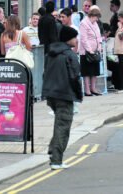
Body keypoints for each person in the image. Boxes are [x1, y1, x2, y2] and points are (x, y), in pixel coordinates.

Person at [42, 26, 82, 170]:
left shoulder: (50, 53)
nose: (76, 40)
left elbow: (44, 73)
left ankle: (53, 150)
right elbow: (75, 76)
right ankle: (56, 160)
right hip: (65, 94)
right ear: (69, 39)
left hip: (51, 93)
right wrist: (78, 95)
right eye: (75, 37)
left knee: (59, 123)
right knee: (63, 126)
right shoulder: (70, 55)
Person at [78, 6, 103, 96]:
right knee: (87, 72)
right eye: (96, 17)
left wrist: (99, 46)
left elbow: (98, 36)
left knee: (95, 71)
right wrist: (90, 50)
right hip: (86, 52)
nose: (97, 19)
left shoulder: (95, 23)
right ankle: (87, 90)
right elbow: (84, 39)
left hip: (95, 51)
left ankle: (93, 88)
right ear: (92, 15)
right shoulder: (84, 23)